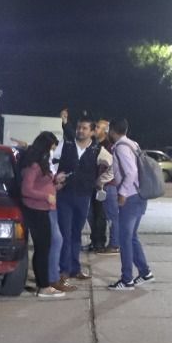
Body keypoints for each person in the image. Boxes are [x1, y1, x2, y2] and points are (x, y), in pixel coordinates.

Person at [18, 132, 73, 297]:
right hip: (36, 210)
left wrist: (56, 182)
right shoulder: (34, 165)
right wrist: (47, 196)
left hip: (44, 208)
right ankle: (43, 287)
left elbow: (43, 183)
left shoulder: (41, 163)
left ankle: (44, 284)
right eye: (51, 149)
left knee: (44, 248)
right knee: (43, 249)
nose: (52, 153)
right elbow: (26, 190)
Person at [53, 112, 102, 282]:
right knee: (65, 234)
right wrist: (55, 178)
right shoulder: (66, 144)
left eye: (84, 128)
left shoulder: (97, 149)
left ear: (92, 131)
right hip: (65, 196)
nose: (80, 130)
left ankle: (75, 269)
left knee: (76, 234)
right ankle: (63, 270)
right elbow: (52, 162)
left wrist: (100, 182)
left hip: (83, 197)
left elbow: (110, 167)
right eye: (79, 127)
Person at [108, 117, 153, 290]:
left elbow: (131, 172)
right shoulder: (133, 144)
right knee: (132, 237)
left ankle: (127, 279)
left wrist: (123, 193)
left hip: (131, 198)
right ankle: (145, 272)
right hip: (140, 195)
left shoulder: (121, 147)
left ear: (113, 130)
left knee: (124, 239)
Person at [86, 118, 118, 255]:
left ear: (105, 131)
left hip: (106, 186)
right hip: (95, 185)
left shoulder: (109, 146)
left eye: (98, 127)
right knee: (92, 215)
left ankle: (111, 244)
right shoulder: (93, 144)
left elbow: (113, 166)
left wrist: (102, 181)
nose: (95, 128)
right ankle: (96, 242)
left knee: (106, 216)